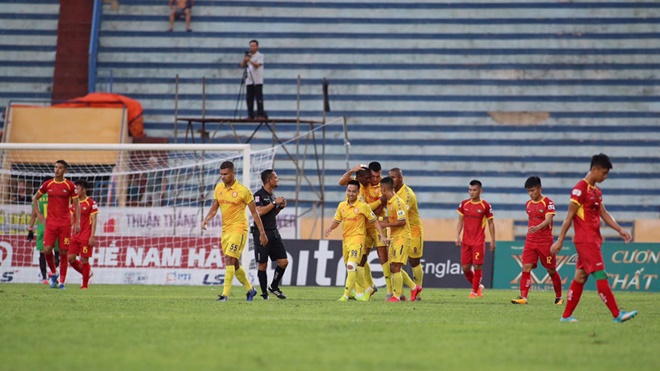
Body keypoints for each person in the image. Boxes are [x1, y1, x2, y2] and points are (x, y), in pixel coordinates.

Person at [550, 153, 637, 323]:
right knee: (600, 274)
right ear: (594, 169)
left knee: (580, 277)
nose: (605, 177)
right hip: (585, 240)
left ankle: (566, 316)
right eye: (603, 173)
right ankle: (616, 314)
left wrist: (620, 230)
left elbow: (603, 213)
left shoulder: (596, 191)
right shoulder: (579, 189)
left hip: (594, 239)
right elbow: (569, 217)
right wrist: (560, 240)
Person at [202, 161, 268, 302]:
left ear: (233, 173)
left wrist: (262, 233)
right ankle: (250, 290)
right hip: (225, 230)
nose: (223, 177)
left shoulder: (244, 191)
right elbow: (214, 208)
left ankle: (224, 295)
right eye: (221, 174)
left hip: (239, 230)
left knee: (229, 259)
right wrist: (207, 218)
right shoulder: (219, 188)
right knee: (235, 263)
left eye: (225, 174)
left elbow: (255, 214)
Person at [324, 180, 387, 302]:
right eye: (349, 191)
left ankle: (346, 295)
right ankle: (368, 288)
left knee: (351, 266)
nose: (351, 193)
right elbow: (337, 221)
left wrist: (382, 236)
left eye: (353, 191)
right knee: (353, 268)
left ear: (358, 192)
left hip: (358, 240)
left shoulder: (363, 206)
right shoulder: (342, 205)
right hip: (346, 241)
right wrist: (330, 228)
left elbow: (374, 221)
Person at [511, 176, 563, 305]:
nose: (531, 194)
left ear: (540, 189)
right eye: (528, 191)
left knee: (551, 270)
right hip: (530, 241)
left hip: (545, 242)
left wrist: (538, 227)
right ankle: (523, 297)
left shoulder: (548, 203)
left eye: (533, 190)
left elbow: (548, 219)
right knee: (526, 267)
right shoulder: (528, 204)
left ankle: (559, 297)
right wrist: (534, 230)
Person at [33, 160, 80, 289]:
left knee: (64, 251)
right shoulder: (48, 184)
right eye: (55, 167)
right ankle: (54, 273)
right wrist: (38, 213)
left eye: (60, 168)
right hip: (51, 223)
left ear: (65, 170)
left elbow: (77, 204)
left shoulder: (70, 186)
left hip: (65, 223)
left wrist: (77, 223)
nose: (57, 170)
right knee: (47, 249)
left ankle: (63, 282)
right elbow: (35, 198)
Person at [338, 164, 381, 298]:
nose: (369, 180)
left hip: (361, 229)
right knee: (354, 262)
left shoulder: (367, 187)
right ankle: (366, 288)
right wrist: (351, 170)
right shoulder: (354, 185)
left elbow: (366, 208)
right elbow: (341, 183)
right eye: (367, 177)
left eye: (370, 177)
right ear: (360, 177)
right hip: (349, 231)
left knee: (356, 262)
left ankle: (358, 292)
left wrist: (380, 202)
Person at [378, 177, 421, 302]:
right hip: (395, 237)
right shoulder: (390, 202)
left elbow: (402, 222)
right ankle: (414, 287)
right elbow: (391, 219)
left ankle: (396, 296)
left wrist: (385, 225)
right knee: (393, 267)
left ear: (384, 189)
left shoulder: (398, 202)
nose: (380, 191)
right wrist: (378, 221)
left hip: (402, 237)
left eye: (381, 188)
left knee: (396, 266)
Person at [389, 168, 424, 301]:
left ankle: (418, 293)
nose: (391, 180)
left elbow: (400, 218)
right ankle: (402, 292)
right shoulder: (390, 192)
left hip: (413, 231)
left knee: (414, 261)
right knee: (394, 264)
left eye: (394, 177)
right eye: (389, 177)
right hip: (400, 232)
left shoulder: (407, 195)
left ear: (400, 179)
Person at [252, 169, 289, 300]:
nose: (277, 180)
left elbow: (271, 213)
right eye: (276, 177)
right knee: (263, 264)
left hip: (274, 231)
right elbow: (259, 212)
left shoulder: (272, 195)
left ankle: (273, 286)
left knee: (283, 262)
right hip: (261, 232)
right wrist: (274, 203)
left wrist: (279, 207)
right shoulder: (258, 195)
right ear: (269, 180)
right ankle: (264, 294)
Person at [456, 179, 495, 299]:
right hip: (466, 241)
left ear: (480, 191)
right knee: (465, 268)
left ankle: (474, 291)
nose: (471, 192)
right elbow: (460, 221)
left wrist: (493, 240)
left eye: (474, 190)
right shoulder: (464, 204)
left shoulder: (485, 206)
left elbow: (491, 223)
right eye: (470, 190)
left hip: (478, 241)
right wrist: (457, 235)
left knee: (477, 266)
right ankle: (479, 287)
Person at [67, 180, 98, 289]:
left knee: (84, 260)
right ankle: (87, 272)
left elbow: (94, 220)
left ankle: (84, 286)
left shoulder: (91, 203)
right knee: (70, 258)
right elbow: (71, 220)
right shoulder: (74, 203)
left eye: (77, 189)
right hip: (75, 236)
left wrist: (92, 236)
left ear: (84, 190)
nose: (75, 191)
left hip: (85, 235)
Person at [27, 193, 60, 284]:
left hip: (42, 228)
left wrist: (30, 229)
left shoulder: (38, 197)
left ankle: (44, 278)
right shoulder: (56, 195)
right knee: (58, 252)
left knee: (43, 253)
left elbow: (34, 214)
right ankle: (52, 271)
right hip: (55, 227)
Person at [240, 40, 266, 119]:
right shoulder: (248, 56)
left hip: (257, 80)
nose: (252, 47)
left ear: (257, 47)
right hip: (249, 80)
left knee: (259, 98)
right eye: (251, 46)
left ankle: (260, 114)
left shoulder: (260, 55)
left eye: (254, 46)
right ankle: (250, 114)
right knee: (249, 99)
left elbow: (257, 65)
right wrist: (245, 60)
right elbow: (242, 65)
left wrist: (250, 60)